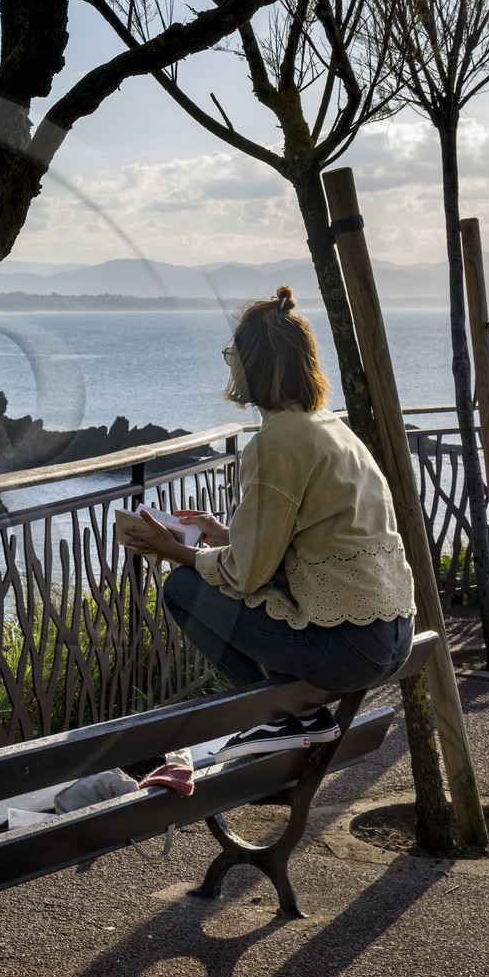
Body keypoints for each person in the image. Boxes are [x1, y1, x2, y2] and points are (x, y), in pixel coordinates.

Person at [122, 286, 415, 762]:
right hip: (395, 633)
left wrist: (176, 551)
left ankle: (282, 716)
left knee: (180, 589)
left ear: (250, 366)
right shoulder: (330, 427)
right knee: (205, 579)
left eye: (231, 357)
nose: (230, 368)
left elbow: (248, 574)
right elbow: (307, 537)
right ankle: (289, 715)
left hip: (348, 647)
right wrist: (223, 534)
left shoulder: (276, 441)